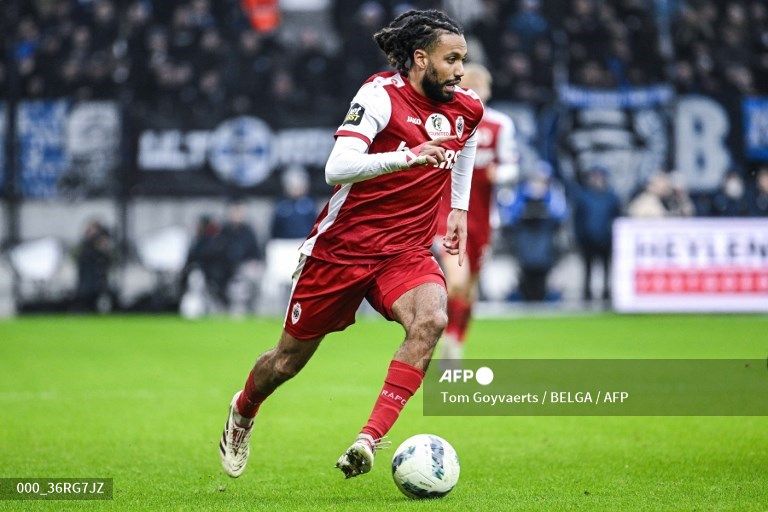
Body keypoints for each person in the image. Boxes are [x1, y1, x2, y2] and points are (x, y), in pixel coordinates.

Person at [219, 9, 483, 480]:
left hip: (405, 253)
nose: (461, 70)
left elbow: (465, 146)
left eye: (463, 59)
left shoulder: (465, 107)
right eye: (452, 59)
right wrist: (406, 157)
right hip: (340, 251)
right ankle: (243, 409)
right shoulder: (380, 95)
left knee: (432, 320)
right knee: (284, 363)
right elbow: (335, 167)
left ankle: (368, 440)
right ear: (420, 58)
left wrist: (458, 208)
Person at [434, 63, 518, 360]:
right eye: (467, 85)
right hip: (449, 214)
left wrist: (501, 174)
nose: (474, 92)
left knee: (468, 289)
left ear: (488, 91)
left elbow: (512, 166)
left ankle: (455, 344)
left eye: (479, 86)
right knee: (456, 283)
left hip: (484, 217)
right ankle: (440, 331)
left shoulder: (500, 125)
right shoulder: (445, 121)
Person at [500, 161, 567, 301]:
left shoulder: (552, 196)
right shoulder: (520, 196)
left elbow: (560, 215)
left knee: (542, 281)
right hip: (524, 248)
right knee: (526, 281)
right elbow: (510, 216)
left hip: (544, 248)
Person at [571, 166, 621, 301]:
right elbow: (577, 219)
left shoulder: (611, 197)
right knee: (587, 268)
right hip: (588, 240)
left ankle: (607, 292)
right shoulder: (583, 196)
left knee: (607, 268)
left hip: (606, 238)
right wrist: (579, 236)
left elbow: (617, 217)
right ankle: (587, 293)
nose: (597, 180)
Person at [270, 165, 318, 240]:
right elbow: (275, 229)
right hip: (285, 243)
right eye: (293, 186)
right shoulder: (281, 205)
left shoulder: (310, 204)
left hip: (305, 241)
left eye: (299, 186)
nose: (296, 189)